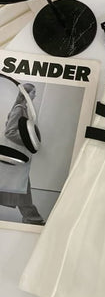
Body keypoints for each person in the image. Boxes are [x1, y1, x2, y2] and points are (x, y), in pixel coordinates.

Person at [0, 82, 45, 225]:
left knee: (20, 187)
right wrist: (28, 141)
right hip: (14, 157)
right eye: (33, 92)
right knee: (22, 188)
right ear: (26, 93)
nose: (35, 95)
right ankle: (32, 219)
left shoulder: (23, 109)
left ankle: (32, 218)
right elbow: (9, 132)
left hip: (17, 158)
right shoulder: (19, 109)